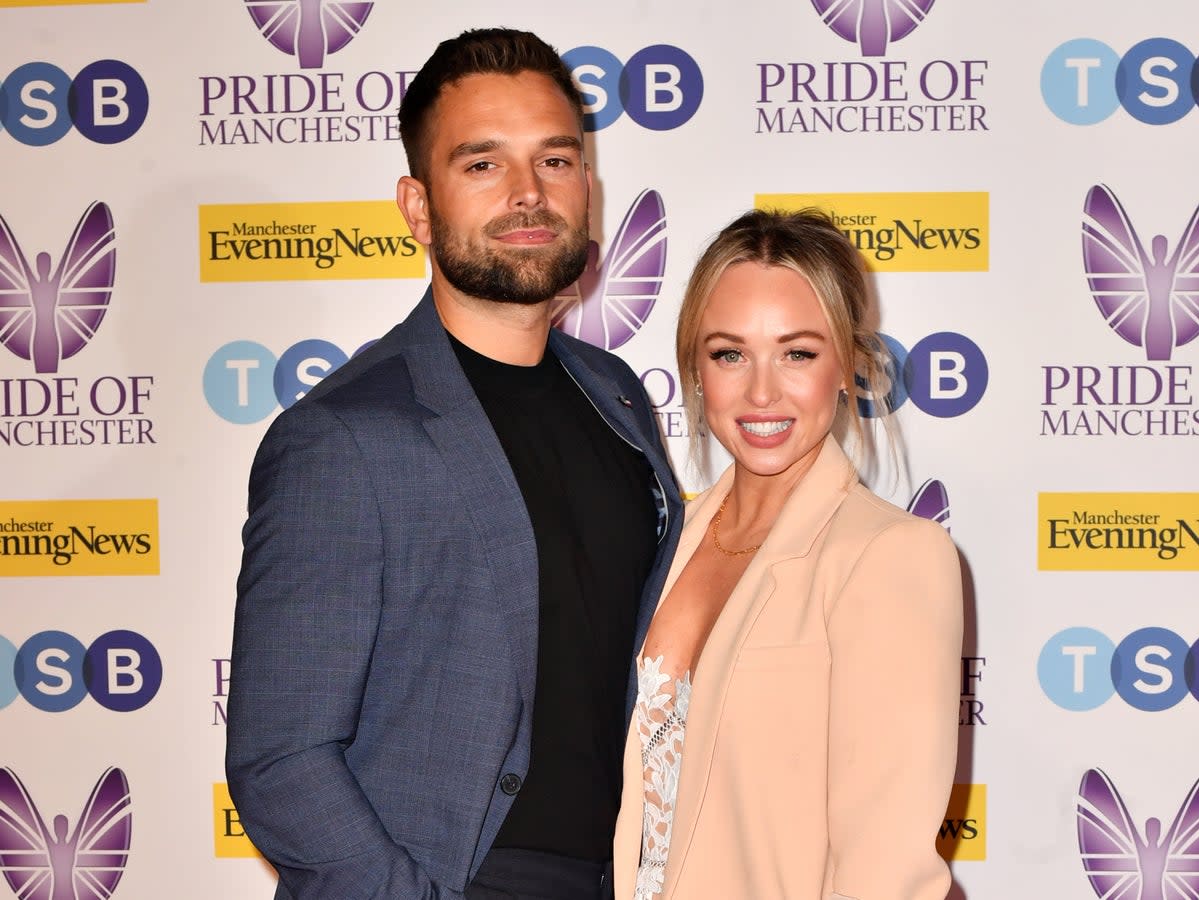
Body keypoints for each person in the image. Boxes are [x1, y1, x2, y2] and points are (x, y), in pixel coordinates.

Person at [225, 28, 683, 900]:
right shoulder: (345, 436)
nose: (528, 194)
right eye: (483, 165)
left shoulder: (617, 397)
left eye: (555, 161)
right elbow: (280, 756)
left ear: (587, 185)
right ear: (418, 206)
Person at [611, 209, 963, 900]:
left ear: (848, 366)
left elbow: (885, 870)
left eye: (797, 353)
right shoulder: (664, 543)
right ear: (696, 367)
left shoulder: (892, 556)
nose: (762, 391)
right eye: (730, 354)